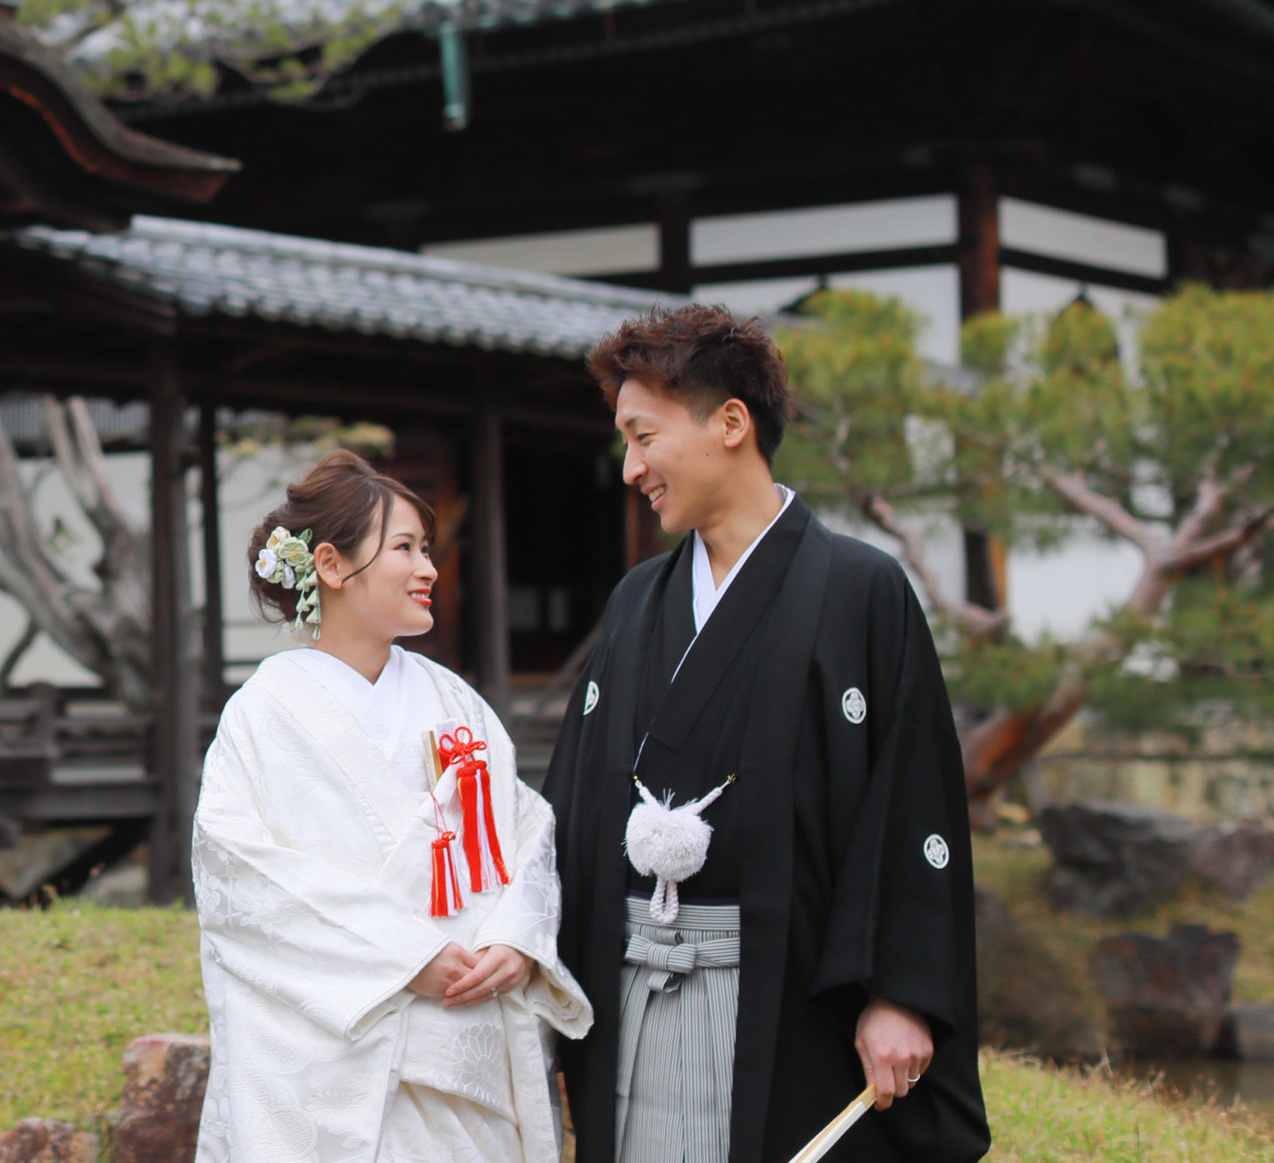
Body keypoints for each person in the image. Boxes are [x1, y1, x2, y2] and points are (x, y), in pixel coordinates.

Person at [543, 305, 987, 1163]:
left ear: (731, 423)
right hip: (632, 972)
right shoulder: (638, 599)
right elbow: (573, 802)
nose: (630, 467)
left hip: (790, 993)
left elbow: (915, 802)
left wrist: (901, 992)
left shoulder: (863, 589)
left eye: (643, 436)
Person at [192, 449, 591, 1163]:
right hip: (340, 1056)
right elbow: (245, 883)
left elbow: (523, 831)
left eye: (427, 549)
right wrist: (406, 954)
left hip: (463, 1038)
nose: (429, 568)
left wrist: (514, 939)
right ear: (333, 565)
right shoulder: (263, 715)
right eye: (405, 547)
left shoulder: (453, 701)